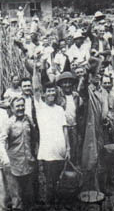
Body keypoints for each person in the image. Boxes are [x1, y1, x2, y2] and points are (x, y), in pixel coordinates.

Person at [32, 60, 70, 207]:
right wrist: (36, 70)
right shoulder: (40, 106)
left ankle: (57, 203)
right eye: (48, 91)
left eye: (53, 91)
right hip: (47, 152)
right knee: (49, 181)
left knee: (58, 180)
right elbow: (35, 88)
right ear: (44, 94)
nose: (51, 93)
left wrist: (68, 148)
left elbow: (65, 129)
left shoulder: (60, 109)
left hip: (60, 150)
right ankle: (50, 205)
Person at [0, 96, 37, 210]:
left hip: (28, 164)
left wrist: (34, 152)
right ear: (12, 108)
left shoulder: (28, 119)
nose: (20, 108)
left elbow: (34, 137)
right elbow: (1, 141)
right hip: (13, 166)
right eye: (17, 106)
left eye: (22, 105)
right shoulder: (8, 123)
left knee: (29, 197)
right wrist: (5, 158)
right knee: (17, 199)